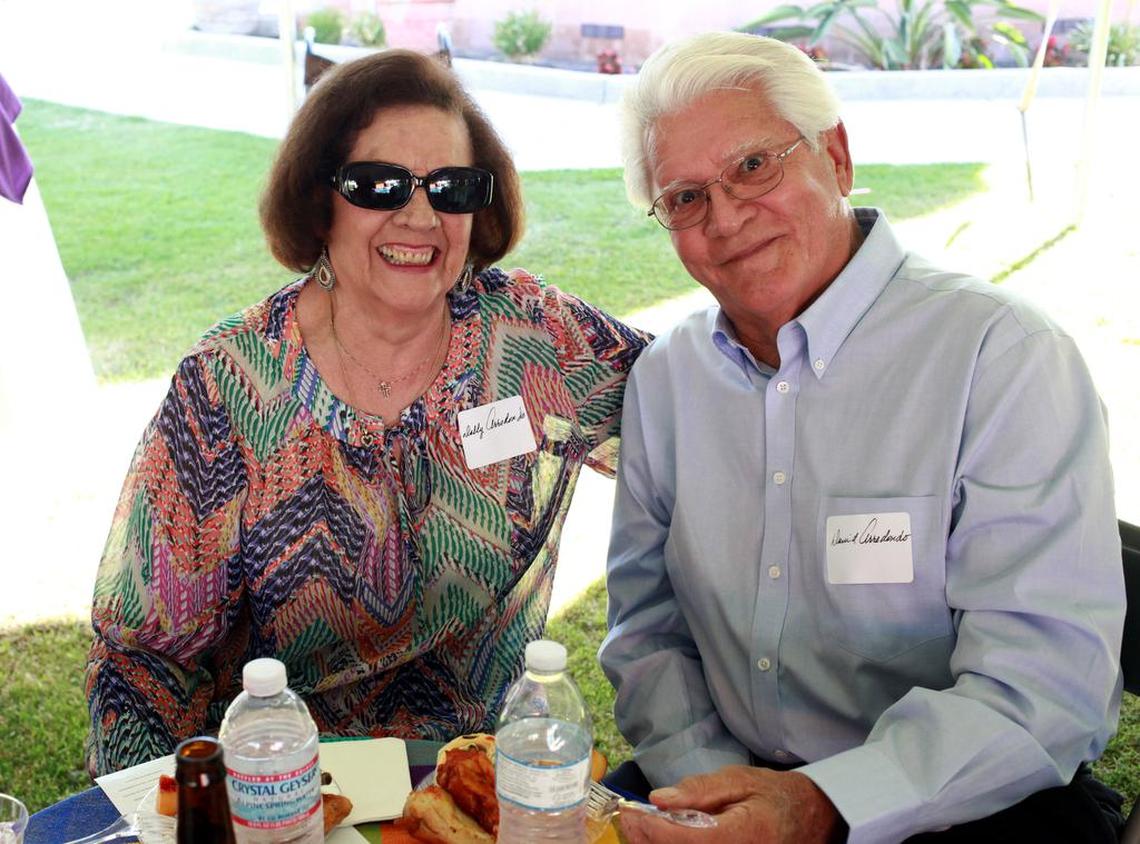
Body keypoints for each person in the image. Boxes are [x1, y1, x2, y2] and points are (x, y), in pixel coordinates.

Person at [598, 31, 1125, 843]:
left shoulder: (1001, 357)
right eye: (685, 198)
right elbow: (645, 627)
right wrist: (709, 787)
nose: (728, 217)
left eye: (752, 167)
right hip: (724, 787)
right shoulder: (668, 379)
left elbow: (1045, 685)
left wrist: (819, 807)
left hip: (971, 803)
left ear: (835, 157)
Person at [84, 48, 651, 776]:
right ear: (319, 202)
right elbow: (144, 664)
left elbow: (705, 403)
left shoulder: (536, 341)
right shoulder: (230, 389)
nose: (419, 214)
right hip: (285, 788)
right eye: (378, 185)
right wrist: (180, 814)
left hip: (476, 784)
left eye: (452, 187)